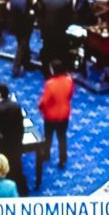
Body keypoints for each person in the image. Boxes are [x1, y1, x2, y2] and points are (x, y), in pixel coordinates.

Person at [36, 59, 74, 189]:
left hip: (51, 116)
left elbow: (44, 101)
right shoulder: (69, 80)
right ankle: (63, 159)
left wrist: (40, 107)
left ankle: (46, 154)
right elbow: (69, 95)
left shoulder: (50, 83)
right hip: (64, 114)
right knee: (62, 137)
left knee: (48, 136)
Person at [8, 0, 35, 76]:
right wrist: (32, 14)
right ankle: (16, 68)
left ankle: (27, 63)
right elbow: (26, 16)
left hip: (15, 27)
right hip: (23, 28)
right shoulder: (23, 2)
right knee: (21, 47)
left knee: (24, 46)